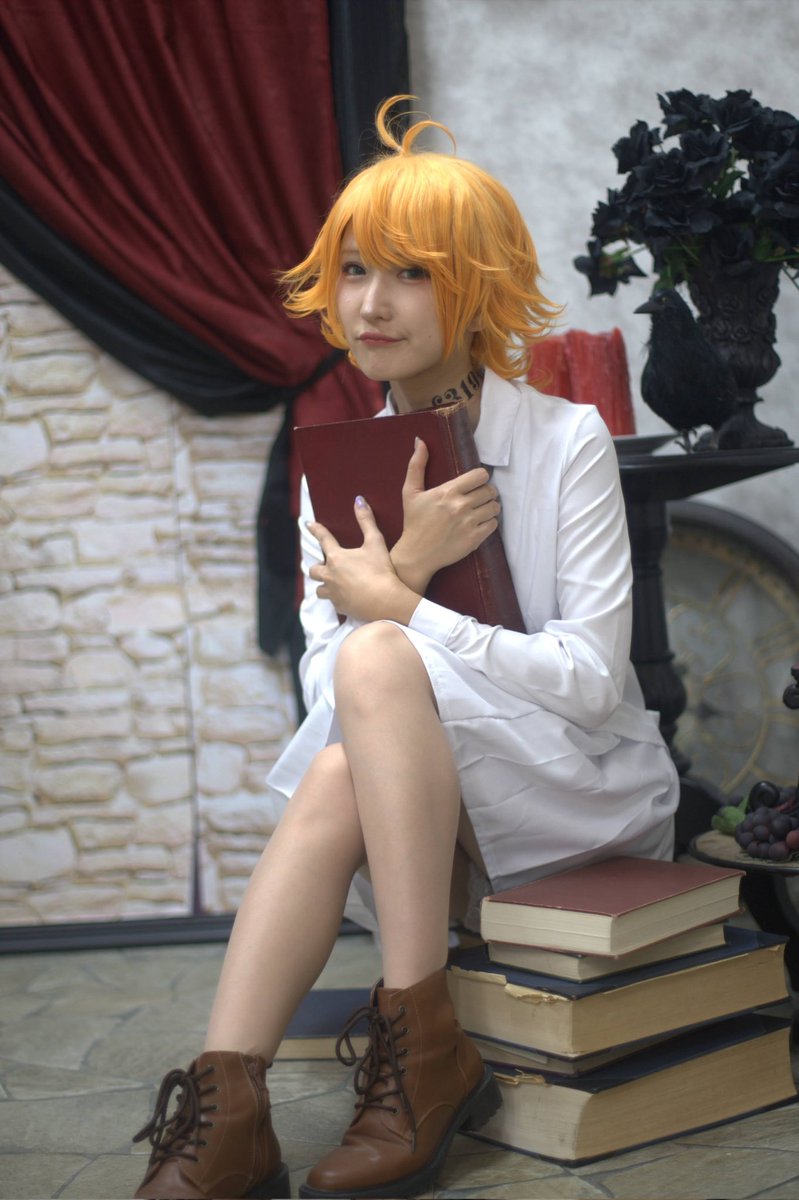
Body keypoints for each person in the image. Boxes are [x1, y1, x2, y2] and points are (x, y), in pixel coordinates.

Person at [131, 96, 680, 1200]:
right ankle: (234, 1097)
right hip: (417, 809)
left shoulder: (566, 440)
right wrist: (416, 567)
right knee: (352, 715)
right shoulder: (333, 467)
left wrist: (398, 604)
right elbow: (322, 688)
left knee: (374, 659)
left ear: (473, 282)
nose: (371, 304)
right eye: (353, 272)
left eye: (411, 274)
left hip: (574, 794)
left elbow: (590, 684)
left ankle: (405, 1053)